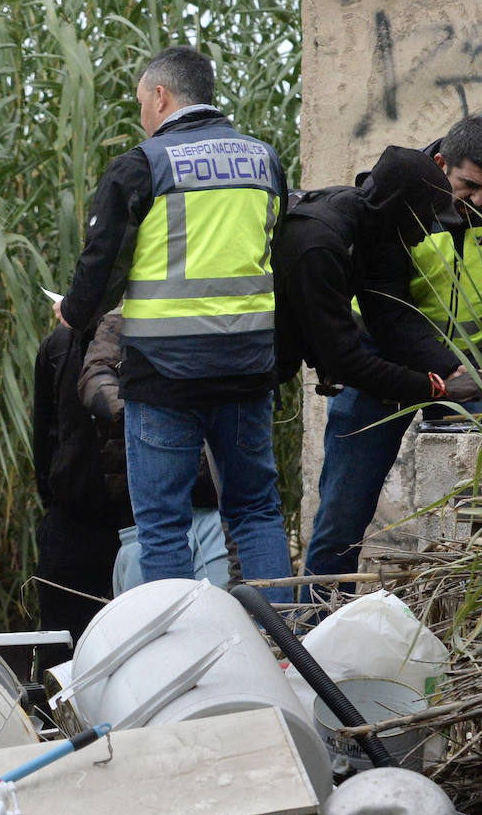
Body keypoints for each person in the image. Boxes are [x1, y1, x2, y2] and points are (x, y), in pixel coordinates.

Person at [54, 45, 292, 599]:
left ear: (160, 96)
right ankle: (283, 638)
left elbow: (102, 263)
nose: (142, 113)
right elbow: (272, 245)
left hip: (164, 373)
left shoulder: (143, 165)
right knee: (256, 510)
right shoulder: (264, 160)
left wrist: (75, 312)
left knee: (163, 523)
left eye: (142, 101)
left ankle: (182, 642)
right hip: (247, 366)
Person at [305, 117, 482, 577]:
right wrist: (448, 372)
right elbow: (387, 307)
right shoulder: (398, 191)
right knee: (343, 512)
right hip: (383, 361)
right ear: (441, 164)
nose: (480, 200)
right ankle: (316, 617)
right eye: (469, 185)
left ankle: (469, 615)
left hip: (473, 371)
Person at [77, 309, 230, 596]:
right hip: (143, 519)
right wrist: (144, 416)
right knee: (155, 612)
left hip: (212, 507)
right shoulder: (122, 315)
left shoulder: (214, 311)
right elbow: (95, 376)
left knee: (220, 610)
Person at [30, 316, 131, 661]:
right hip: (74, 515)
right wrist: (55, 495)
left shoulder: (145, 330)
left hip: (134, 521)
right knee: (62, 647)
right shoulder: (60, 345)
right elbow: (45, 433)